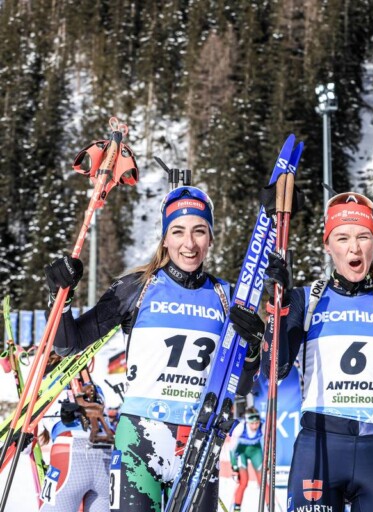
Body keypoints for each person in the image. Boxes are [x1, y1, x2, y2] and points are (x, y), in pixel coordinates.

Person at [44, 186, 264, 512]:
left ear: (211, 237)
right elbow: (68, 344)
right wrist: (58, 295)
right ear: (164, 238)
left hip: (198, 442)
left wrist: (254, 350)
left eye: (199, 231)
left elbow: (241, 387)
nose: (189, 244)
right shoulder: (136, 288)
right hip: (139, 440)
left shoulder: (227, 296)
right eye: (178, 231)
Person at [256, 192, 373, 511]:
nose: (354, 248)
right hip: (320, 445)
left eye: (363, 237)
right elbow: (273, 369)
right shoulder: (307, 300)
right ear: (328, 245)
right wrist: (280, 307)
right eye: (342, 238)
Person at [39, 380, 113, 512]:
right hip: (106, 454)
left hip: (70, 451)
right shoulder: (93, 384)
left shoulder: (45, 384)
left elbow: (26, 445)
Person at [228, 407, 263, 512]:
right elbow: (232, 448)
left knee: (263, 482)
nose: (255, 426)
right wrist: (234, 466)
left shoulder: (263, 425)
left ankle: (270, 506)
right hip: (241, 452)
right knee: (243, 482)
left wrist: (268, 462)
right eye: (252, 423)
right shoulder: (240, 427)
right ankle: (236, 508)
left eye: (257, 423)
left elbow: (268, 444)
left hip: (255, 451)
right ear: (247, 421)